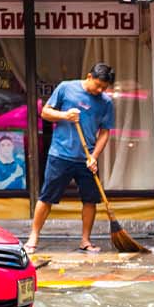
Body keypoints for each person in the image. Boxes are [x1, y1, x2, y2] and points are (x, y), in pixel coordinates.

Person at [25, 63, 115, 254]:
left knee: (90, 199)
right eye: (98, 85)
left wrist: (94, 156)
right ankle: (33, 237)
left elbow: (105, 132)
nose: (100, 90)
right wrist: (65, 115)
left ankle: (85, 240)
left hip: (86, 157)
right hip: (60, 154)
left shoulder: (106, 102)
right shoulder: (66, 88)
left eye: (103, 88)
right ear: (89, 76)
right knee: (47, 196)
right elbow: (45, 112)